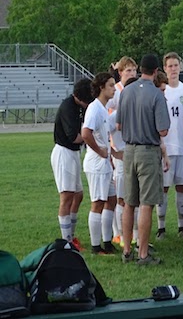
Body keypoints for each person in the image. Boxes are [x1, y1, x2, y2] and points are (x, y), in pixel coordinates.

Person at [116, 54, 170, 265]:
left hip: (129, 150)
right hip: (148, 150)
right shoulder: (156, 95)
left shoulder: (126, 91)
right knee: (147, 203)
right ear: (156, 71)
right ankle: (143, 253)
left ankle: (127, 249)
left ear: (139, 69)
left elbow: (119, 125)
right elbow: (163, 130)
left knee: (129, 202)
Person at [156, 52, 183, 241]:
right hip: (165, 148)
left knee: (181, 187)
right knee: (163, 188)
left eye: (176, 65)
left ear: (180, 67)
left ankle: (182, 227)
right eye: (170, 66)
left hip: (181, 146)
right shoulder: (161, 91)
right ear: (165, 68)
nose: (173, 69)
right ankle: (161, 228)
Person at [51, 78, 94, 251]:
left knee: (78, 195)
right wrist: (91, 134)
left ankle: (71, 236)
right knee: (67, 196)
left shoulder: (79, 106)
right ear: (78, 97)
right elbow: (74, 137)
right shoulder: (68, 107)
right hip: (64, 153)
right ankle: (66, 242)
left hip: (74, 153)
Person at [82, 72, 117, 255]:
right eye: (111, 85)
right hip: (96, 163)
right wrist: (100, 151)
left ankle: (107, 241)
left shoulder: (103, 109)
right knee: (97, 202)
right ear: (102, 87)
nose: (114, 88)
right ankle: (96, 247)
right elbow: (86, 133)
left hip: (105, 163)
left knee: (111, 200)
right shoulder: (94, 108)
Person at [107, 56, 138, 247]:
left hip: (133, 149)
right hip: (119, 150)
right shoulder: (116, 92)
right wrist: (112, 150)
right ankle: (117, 233)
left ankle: (133, 233)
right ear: (120, 73)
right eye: (128, 71)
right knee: (121, 196)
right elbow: (108, 121)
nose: (131, 74)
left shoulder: (134, 90)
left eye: (134, 71)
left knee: (133, 194)